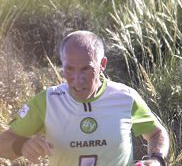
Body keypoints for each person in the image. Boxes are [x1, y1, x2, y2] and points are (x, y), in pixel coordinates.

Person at [0, 30, 170, 166]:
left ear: (102, 65)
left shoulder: (125, 97)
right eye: (69, 69)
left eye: (85, 69)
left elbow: (156, 133)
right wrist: (21, 146)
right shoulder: (48, 101)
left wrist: (156, 159)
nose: (77, 79)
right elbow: (4, 142)